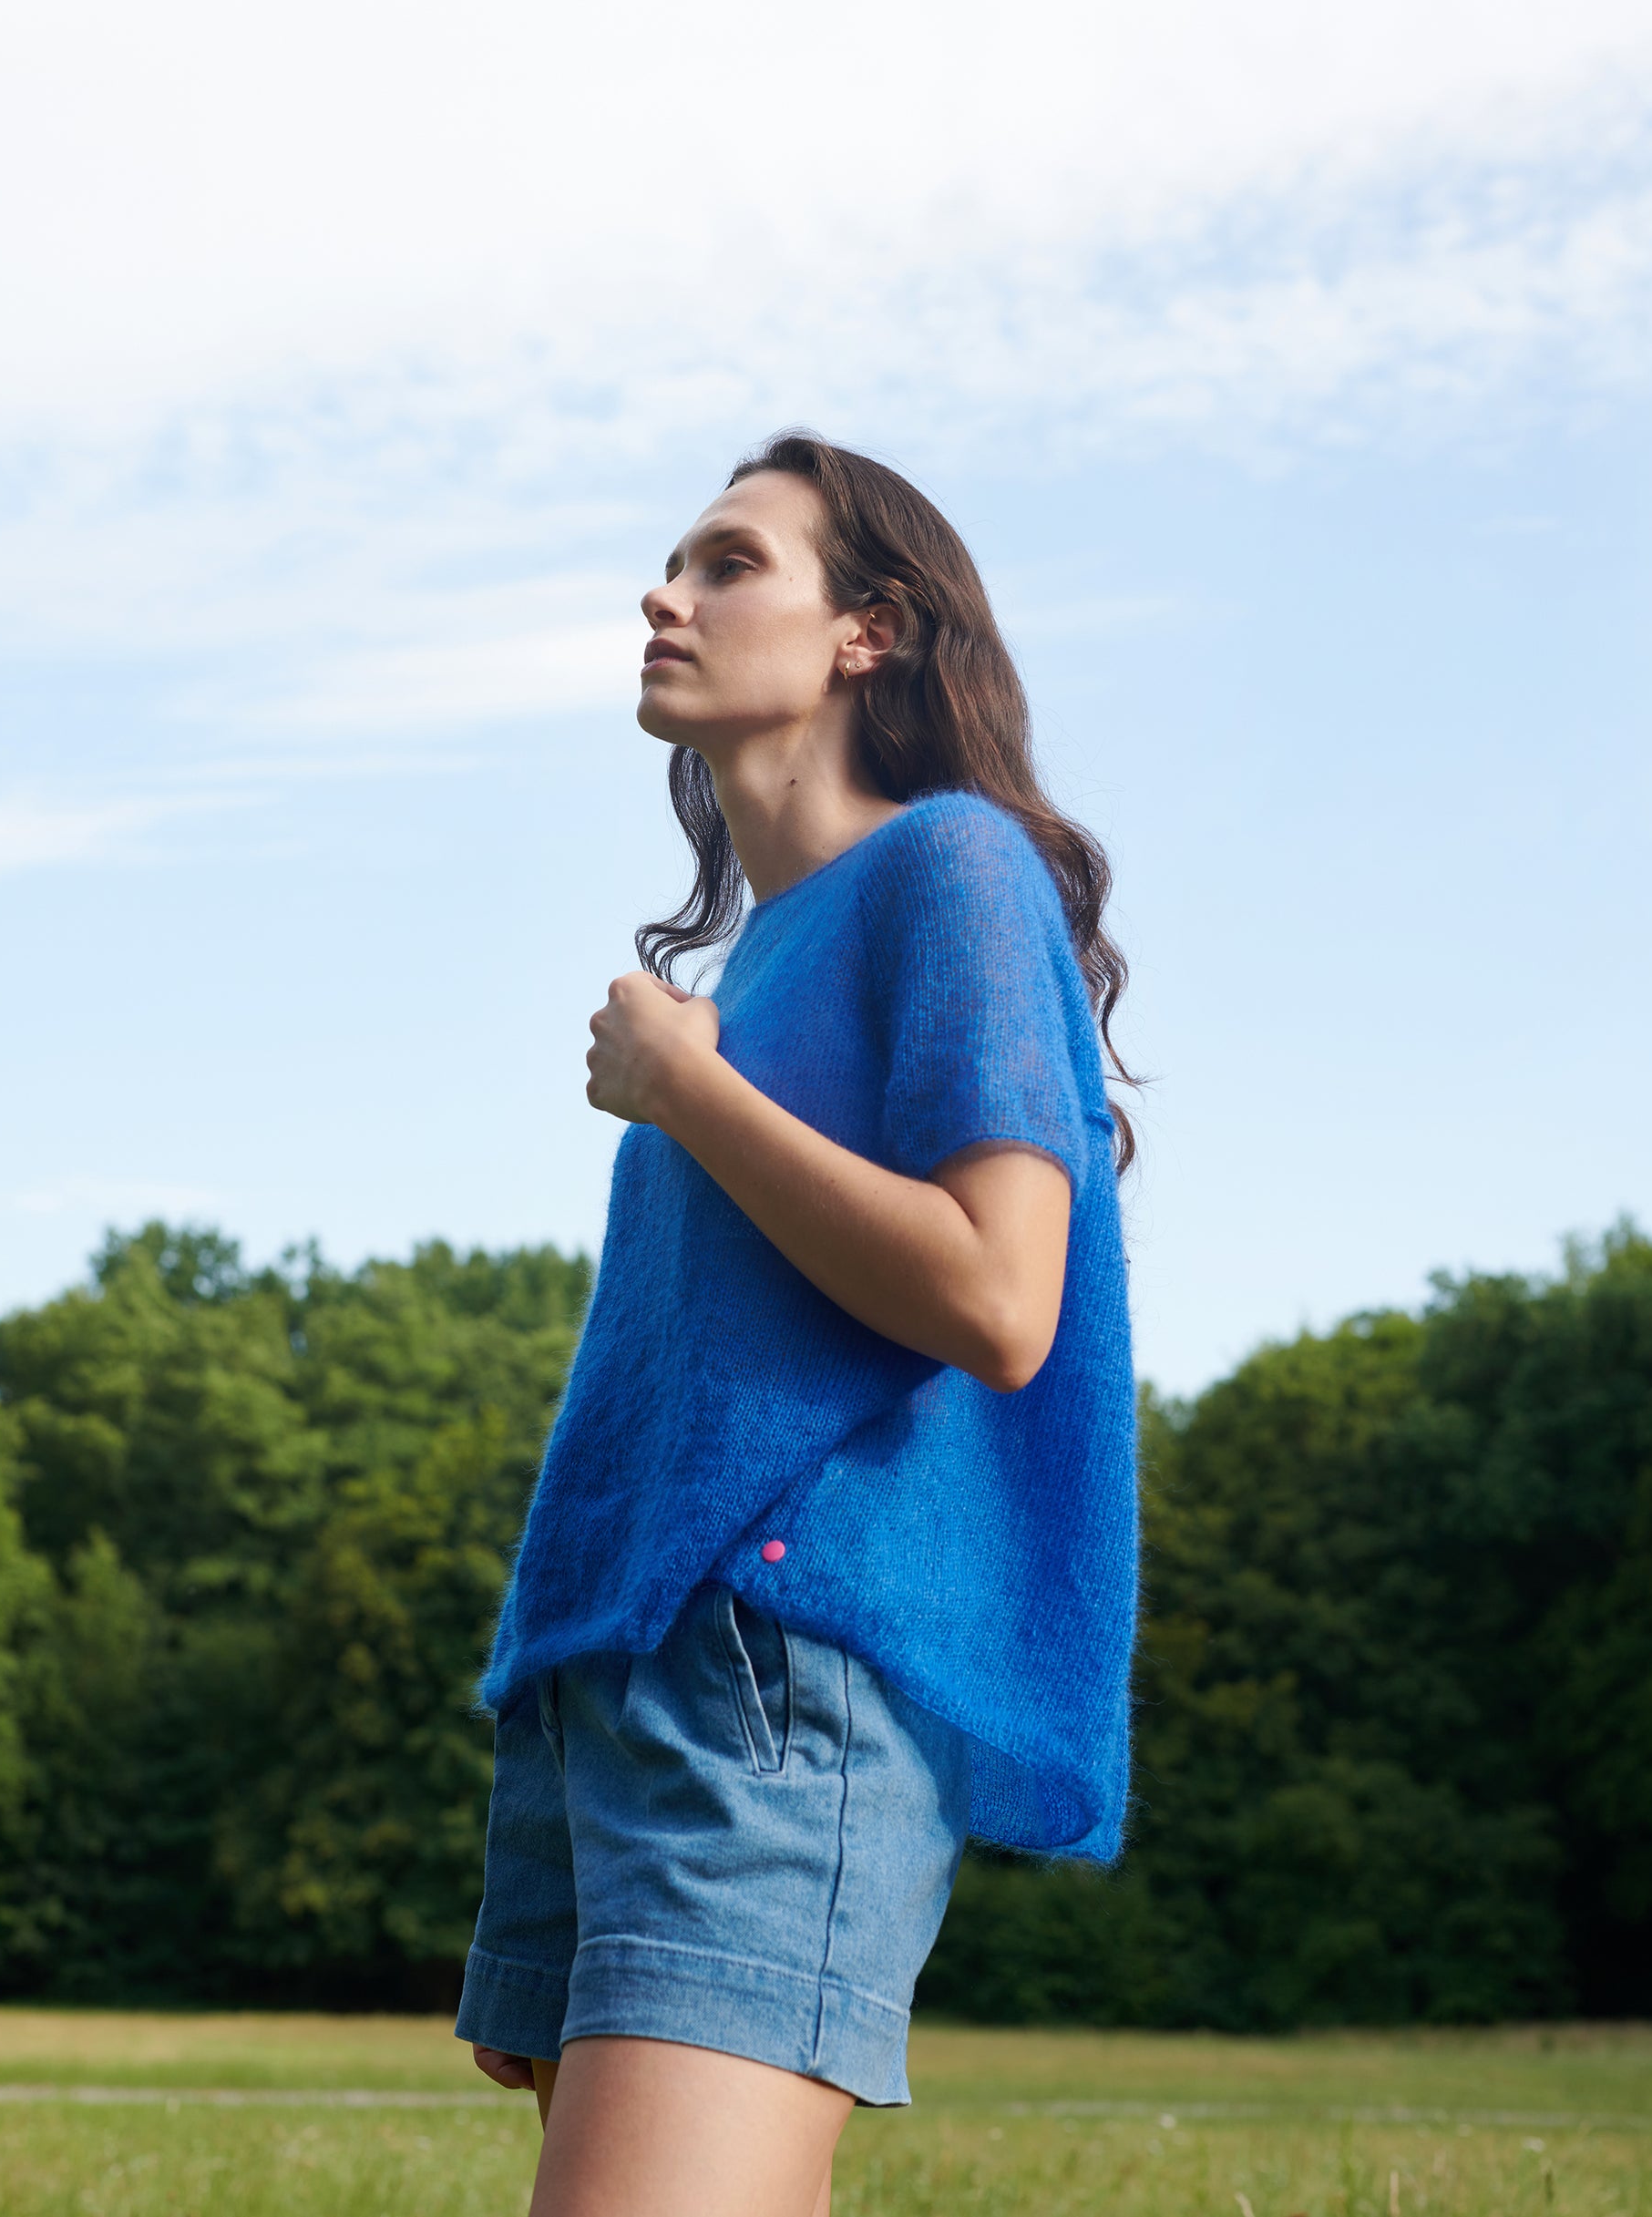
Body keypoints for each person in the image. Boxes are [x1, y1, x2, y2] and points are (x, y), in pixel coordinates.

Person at [456, 432, 1140, 2217]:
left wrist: (692, 1092)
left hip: (784, 1676)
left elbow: (1000, 1298)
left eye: (727, 559)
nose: (660, 594)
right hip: (635, 1674)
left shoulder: (953, 868)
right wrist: (553, 1737)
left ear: (868, 630)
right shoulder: (759, 954)